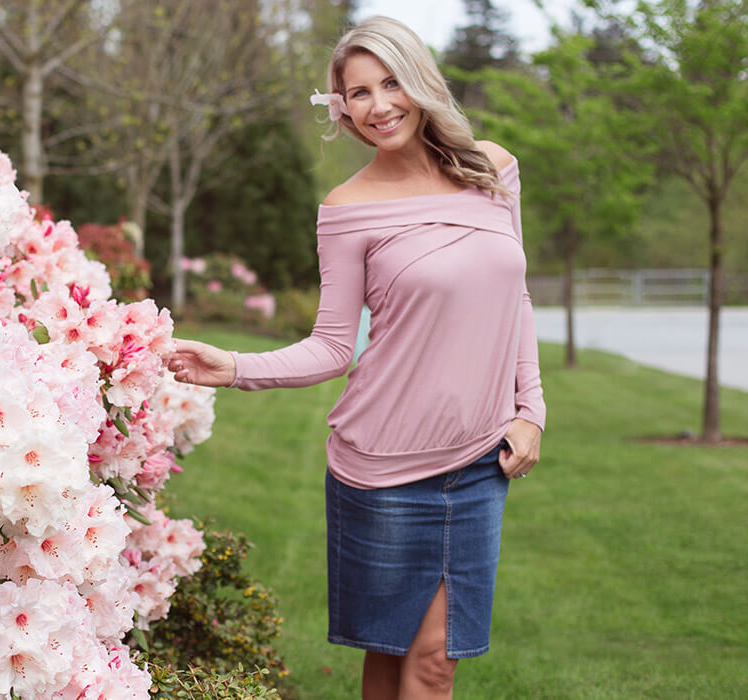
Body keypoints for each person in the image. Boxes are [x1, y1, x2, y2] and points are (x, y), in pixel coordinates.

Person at [166, 16, 546, 700]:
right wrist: (233, 364)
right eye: (359, 92)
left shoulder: (492, 169)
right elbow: (335, 346)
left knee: (435, 662)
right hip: (380, 467)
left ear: (420, 82)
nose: (380, 106)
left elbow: (514, 298)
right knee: (387, 657)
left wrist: (532, 412)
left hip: (479, 460)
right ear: (343, 107)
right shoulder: (347, 207)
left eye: (391, 83)